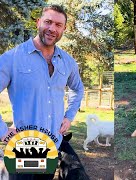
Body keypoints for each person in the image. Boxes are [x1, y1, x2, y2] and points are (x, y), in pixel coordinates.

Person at [0, 5, 85, 179]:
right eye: (48, 22)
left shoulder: (68, 62)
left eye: (58, 25)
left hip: (52, 144)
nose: (52, 28)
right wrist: (2, 131)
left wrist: (69, 116)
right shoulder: (12, 58)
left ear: (64, 29)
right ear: (38, 22)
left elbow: (77, 88)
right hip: (23, 147)